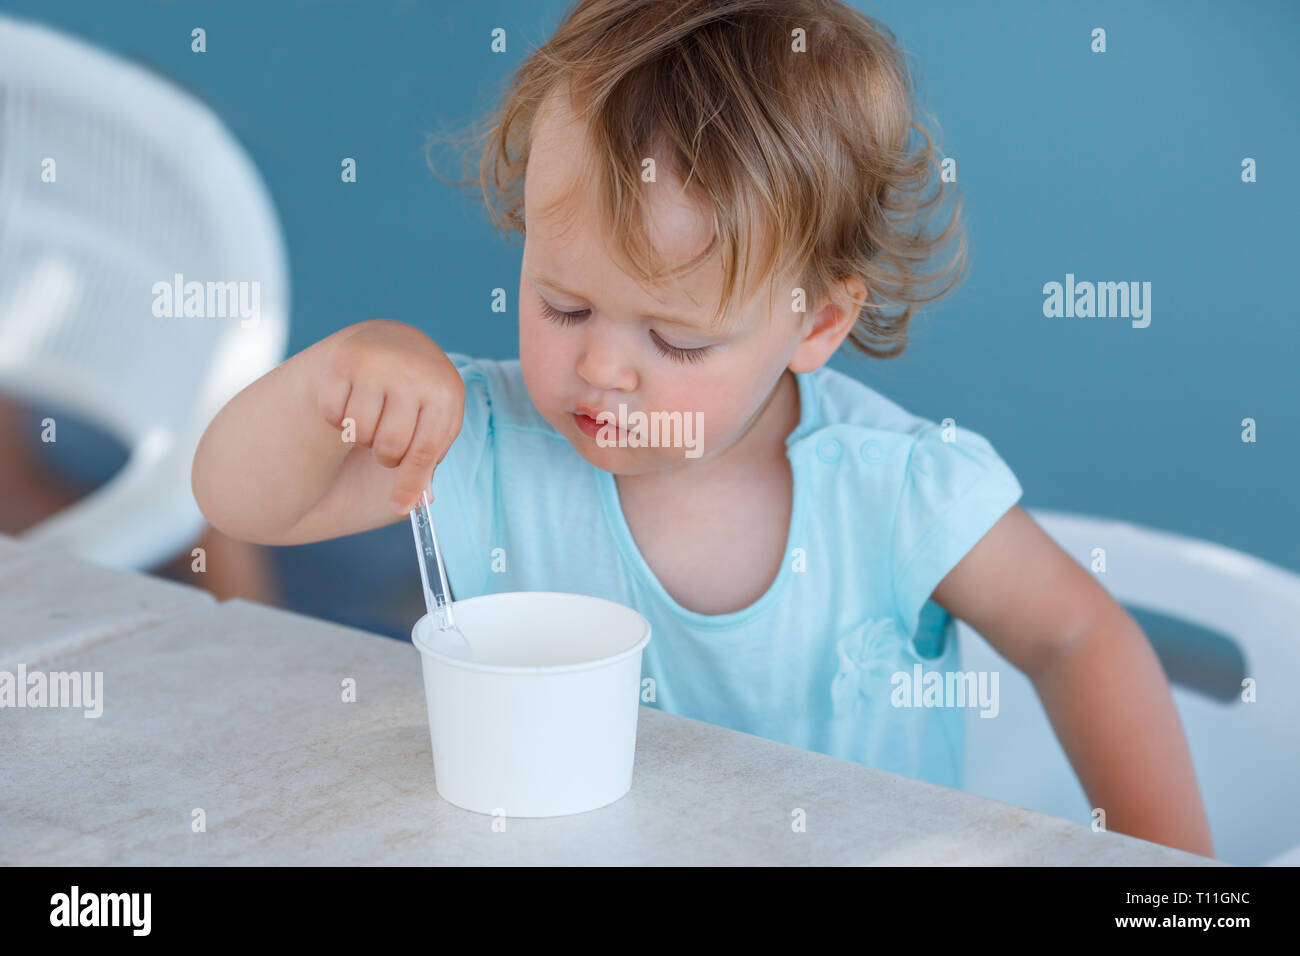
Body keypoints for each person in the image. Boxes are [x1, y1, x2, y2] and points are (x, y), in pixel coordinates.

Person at [191, 0, 1213, 856]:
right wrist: (343, 368)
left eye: (676, 341)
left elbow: (1078, 635)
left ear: (815, 323)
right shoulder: (486, 436)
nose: (601, 365)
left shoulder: (896, 491)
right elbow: (236, 501)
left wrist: (1180, 885)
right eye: (563, 304)